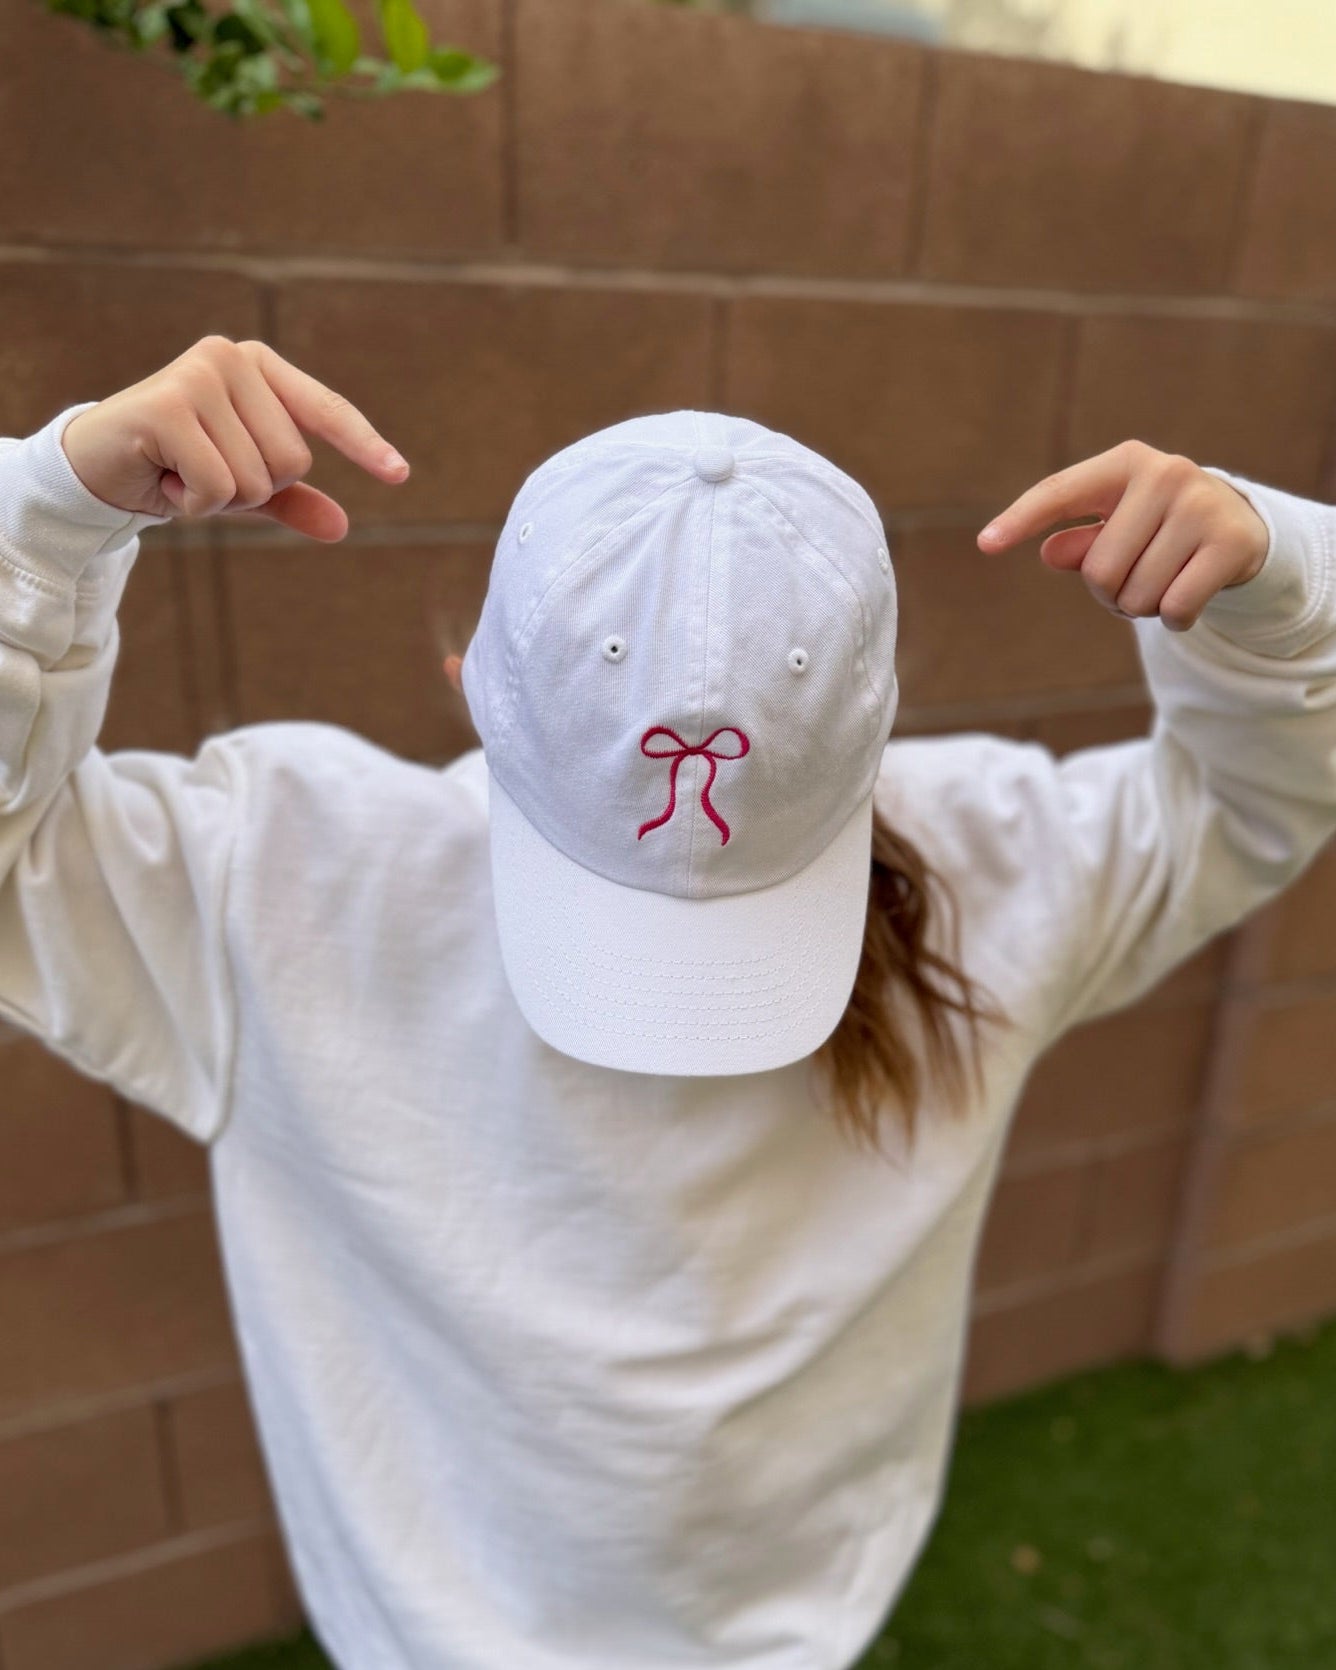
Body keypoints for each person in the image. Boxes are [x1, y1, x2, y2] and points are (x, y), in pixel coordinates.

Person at [3, 331, 1333, 1670]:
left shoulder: (279, 879)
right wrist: (1283, 589)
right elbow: (1251, 804)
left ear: (475, 681)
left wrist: (50, 516)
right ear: (876, 718)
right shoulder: (1002, 859)